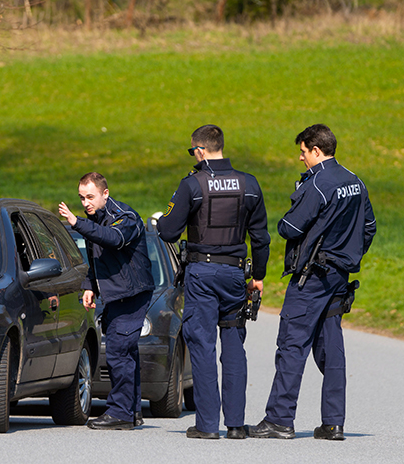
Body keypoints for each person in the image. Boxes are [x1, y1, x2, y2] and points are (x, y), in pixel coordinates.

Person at [248, 124, 376, 441]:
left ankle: (279, 419)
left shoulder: (319, 184)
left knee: (292, 345)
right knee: (332, 349)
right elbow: (369, 227)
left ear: (316, 151)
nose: (301, 158)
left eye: (304, 152)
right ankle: (333, 423)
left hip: (313, 278)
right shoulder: (355, 181)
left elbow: (289, 228)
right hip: (339, 276)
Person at [157, 124, 270, 440]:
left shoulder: (192, 185)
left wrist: (165, 218)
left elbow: (168, 232)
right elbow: (261, 237)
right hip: (235, 274)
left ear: (199, 150)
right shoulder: (249, 184)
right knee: (234, 345)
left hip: (202, 273)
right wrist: (258, 276)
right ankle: (236, 424)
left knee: (203, 345)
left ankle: (207, 425)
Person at [59, 172, 154, 430]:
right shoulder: (95, 219)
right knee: (126, 352)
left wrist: (77, 222)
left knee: (118, 352)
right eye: (81, 198)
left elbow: (113, 239)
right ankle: (131, 411)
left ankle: (120, 413)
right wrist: (90, 286)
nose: (85, 202)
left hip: (132, 293)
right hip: (116, 295)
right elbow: (98, 261)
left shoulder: (125, 217)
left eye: (90, 196)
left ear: (105, 194)